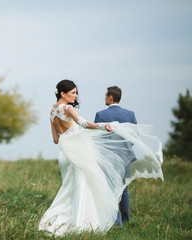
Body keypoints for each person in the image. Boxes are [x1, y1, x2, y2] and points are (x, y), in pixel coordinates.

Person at [38, 80, 163, 236]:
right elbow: (83, 123)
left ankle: (55, 219)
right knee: (85, 186)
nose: (75, 96)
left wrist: (68, 136)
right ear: (62, 93)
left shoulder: (52, 112)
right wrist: (103, 126)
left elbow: (55, 139)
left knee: (69, 188)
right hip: (79, 151)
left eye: (76, 92)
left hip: (65, 154)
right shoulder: (68, 108)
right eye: (73, 93)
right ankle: (82, 224)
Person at [94, 86, 136, 227]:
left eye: (106, 95)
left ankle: (116, 222)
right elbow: (134, 137)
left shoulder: (100, 115)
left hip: (109, 158)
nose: (104, 98)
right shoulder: (130, 115)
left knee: (111, 188)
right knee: (123, 188)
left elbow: (97, 138)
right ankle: (125, 220)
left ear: (111, 97)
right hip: (126, 157)